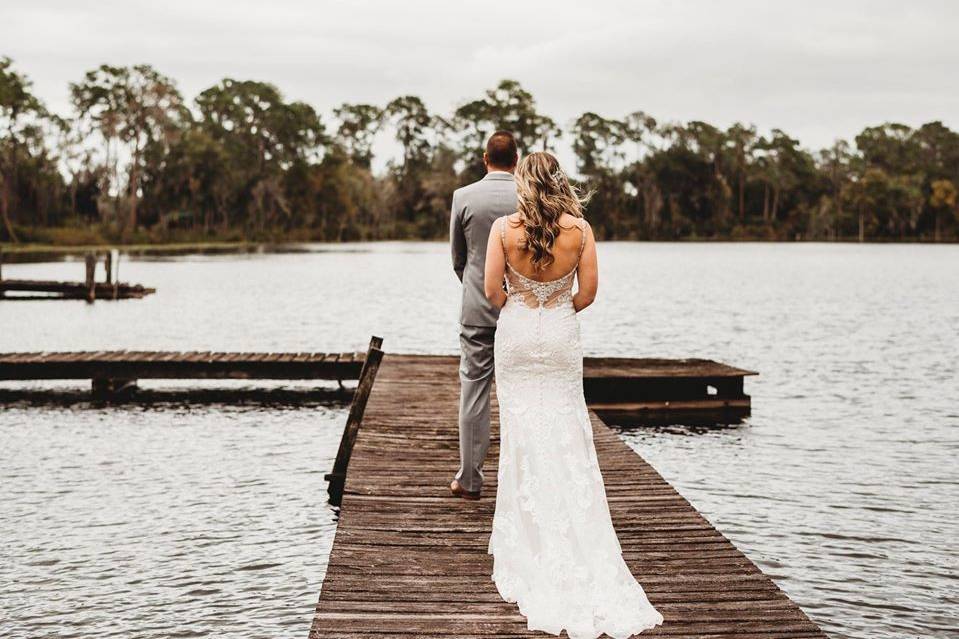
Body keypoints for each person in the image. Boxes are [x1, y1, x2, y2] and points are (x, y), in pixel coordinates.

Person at [483, 151, 664, 638]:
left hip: (517, 334)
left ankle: (528, 537)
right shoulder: (580, 230)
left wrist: (525, 301)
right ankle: (574, 535)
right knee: (565, 428)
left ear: (523, 183)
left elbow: (491, 294)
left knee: (521, 432)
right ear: (560, 181)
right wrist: (556, 305)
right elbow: (588, 294)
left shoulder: (504, 229)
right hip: (561, 335)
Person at [449, 130, 519, 499]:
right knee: (522, 392)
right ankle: (521, 480)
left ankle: (471, 480)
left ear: (484, 158)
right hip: (521, 309)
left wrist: (478, 289)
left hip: (477, 307)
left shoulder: (463, 196)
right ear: (517, 160)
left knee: (474, 392)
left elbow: (458, 259)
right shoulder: (530, 195)